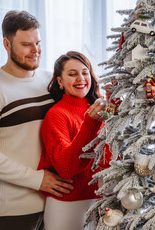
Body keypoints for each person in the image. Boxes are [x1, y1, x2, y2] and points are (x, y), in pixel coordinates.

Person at [0, 10, 74, 230]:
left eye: (38, 42)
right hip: (13, 211)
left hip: (55, 204)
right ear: (7, 44)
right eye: (26, 44)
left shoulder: (51, 82)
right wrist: (37, 180)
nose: (35, 51)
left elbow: (77, 113)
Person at [38, 51, 111, 230]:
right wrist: (90, 124)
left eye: (85, 72)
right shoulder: (56, 114)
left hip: (103, 201)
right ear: (60, 81)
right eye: (72, 74)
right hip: (68, 206)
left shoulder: (99, 109)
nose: (81, 78)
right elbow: (67, 168)